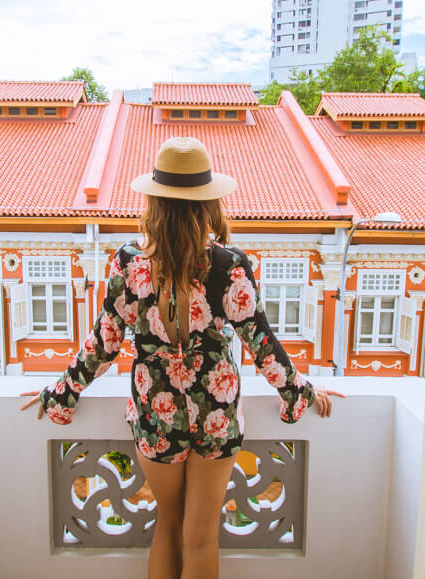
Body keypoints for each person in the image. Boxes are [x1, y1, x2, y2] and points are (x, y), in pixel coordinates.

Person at [20, 136, 344, 578]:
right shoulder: (230, 265)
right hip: (216, 411)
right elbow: (261, 342)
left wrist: (62, 394)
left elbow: (104, 341)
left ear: (154, 203)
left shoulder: (129, 263)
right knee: (202, 535)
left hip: (158, 410)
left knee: (167, 526)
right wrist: (299, 390)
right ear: (208, 205)